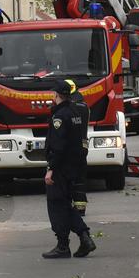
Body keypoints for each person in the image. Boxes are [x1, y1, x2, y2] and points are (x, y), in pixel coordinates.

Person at [41, 77, 96, 259]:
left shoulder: (59, 116)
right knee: (65, 204)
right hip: (76, 165)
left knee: (56, 205)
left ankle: (63, 246)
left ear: (57, 95)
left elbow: (58, 146)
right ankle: (84, 236)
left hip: (61, 168)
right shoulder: (77, 111)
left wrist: (51, 168)